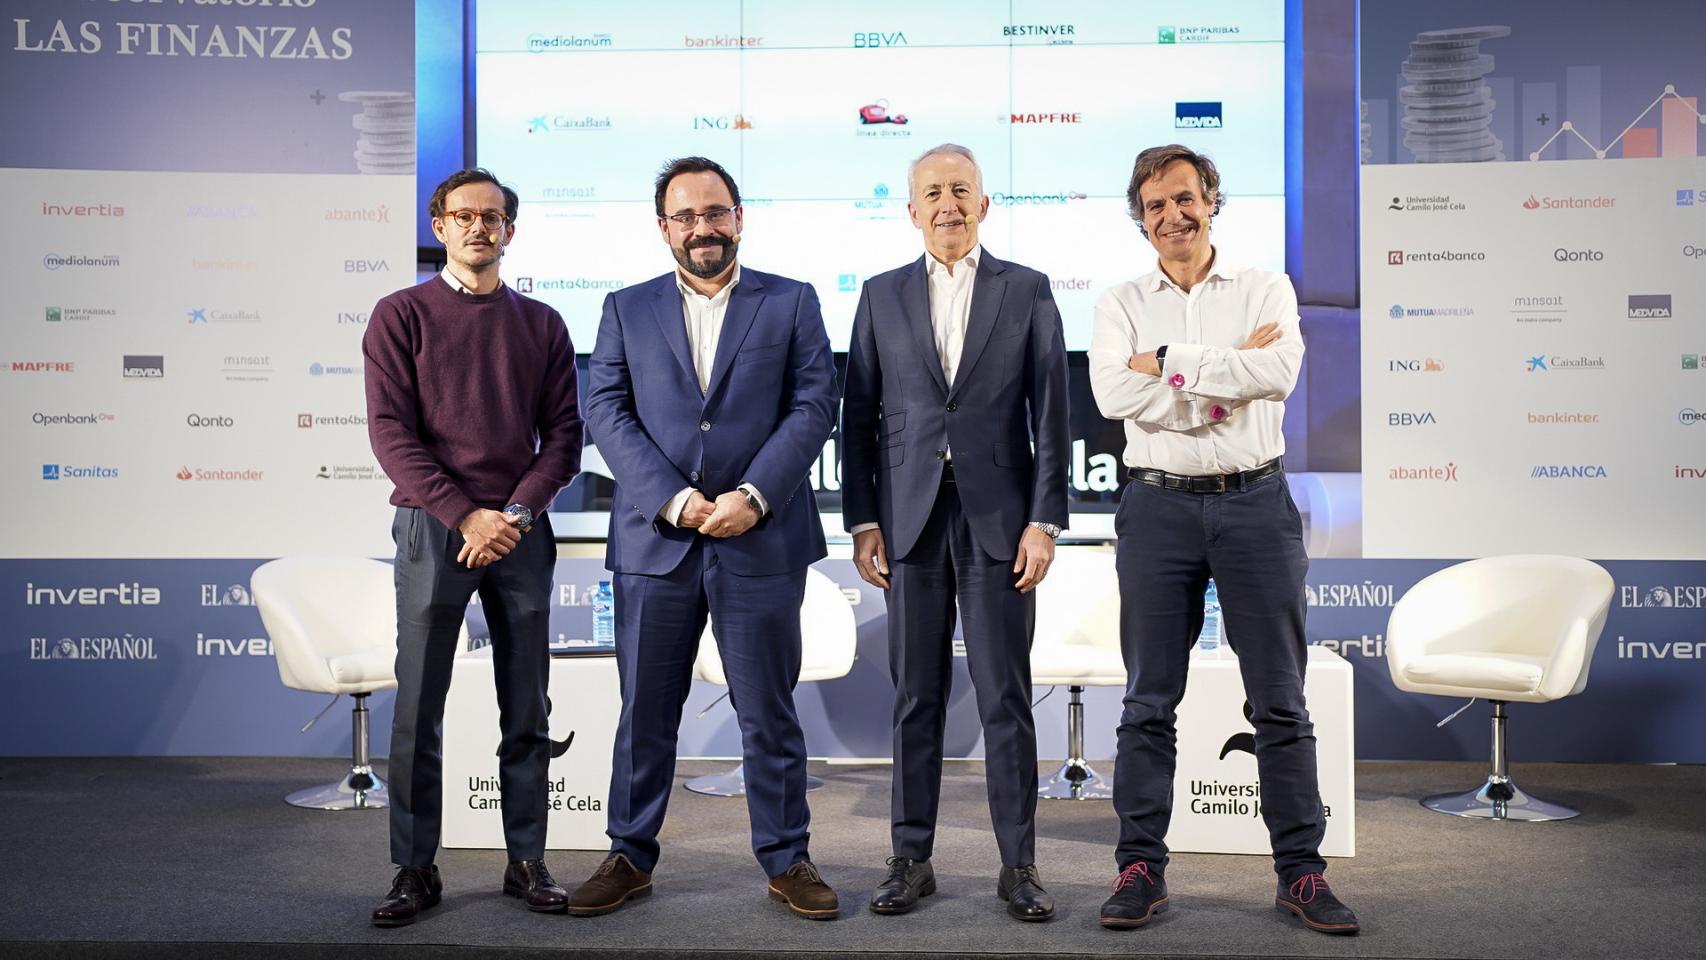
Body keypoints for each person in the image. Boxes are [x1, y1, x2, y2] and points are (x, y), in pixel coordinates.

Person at [1088, 144, 1359, 935]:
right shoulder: (1118, 302)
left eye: (1185, 198)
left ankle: (1301, 873)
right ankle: (1140, 869)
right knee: (1147, 703)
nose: (1173, 215)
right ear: (1140, 220)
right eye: (1156, 205)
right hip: (1157, 509)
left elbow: (1276, 375)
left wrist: (1168, 364)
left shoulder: (1265, 287)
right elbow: (1112, 392)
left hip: (1255, 505)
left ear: (1211, 200)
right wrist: (1219, 381)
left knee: (1281, 701)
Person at [573, 156, 841, 920]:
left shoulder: (791, 301)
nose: (703, 228)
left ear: (739, 217)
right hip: (656, 542)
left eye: (715, 212)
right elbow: (606, 410)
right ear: (664, 228)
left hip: (761, 537)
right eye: (686, 216)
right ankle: (629, 854)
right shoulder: (625, 308)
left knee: (769, 711)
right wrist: (677, 500)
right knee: (645, 712)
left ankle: (787, 859)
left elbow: (814, 403)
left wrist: (753, 496)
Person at [841, 143, 1070, 922]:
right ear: (912, 210)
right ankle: (910, 860)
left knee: (1006, 695)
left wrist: (1044, 521)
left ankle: (1019, 865)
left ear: (984, 203)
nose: (949, 204)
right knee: (916, 696)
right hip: (908, 521)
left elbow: (1052, 414)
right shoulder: (879, 295)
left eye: (962, 190)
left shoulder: (1028, 289)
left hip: (1000, 521)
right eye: (934, 193)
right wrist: (863, 520)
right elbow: (858, 416)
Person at [363, 167, 583, 926]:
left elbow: (564, 438)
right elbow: (391, 434)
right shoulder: (400, 315)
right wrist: (465, 516)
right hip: (435, 526)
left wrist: (512, 514)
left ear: (509, 230)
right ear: (440, 226)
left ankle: (527, 860)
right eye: (464, 216)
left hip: (519, 529)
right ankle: (414, 869)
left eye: (492, 217)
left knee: (527, 703)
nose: (478, 228)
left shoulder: (542, 323)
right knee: (418, 706)